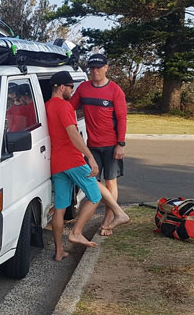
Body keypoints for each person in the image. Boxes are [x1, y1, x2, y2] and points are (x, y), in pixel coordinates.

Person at [46, 71, 129, 262]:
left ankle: (59, 251)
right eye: (70, 88)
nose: (72, 92)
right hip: (72, 160)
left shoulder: (47, 106)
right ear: (62, 87)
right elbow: (73, 134)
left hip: (56, 162)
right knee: (95, 195)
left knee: (59, 208)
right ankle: (76, 232)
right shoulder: (65, 106)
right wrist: (90, 157)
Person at [70, 53, 127, 236]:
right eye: (92, 68)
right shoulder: (84, 89)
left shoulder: (115, 90)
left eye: (99, 67)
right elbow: (70, 108)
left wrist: (121, 143)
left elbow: (122, 118)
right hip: (91, 145)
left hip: (112, 145)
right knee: (91, 180)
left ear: (106, 68)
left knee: (111, 183)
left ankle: (107, 221)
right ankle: (118, 214)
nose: (95, 71)